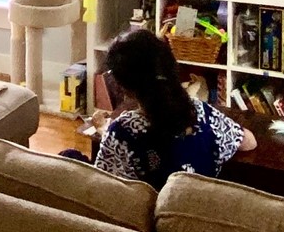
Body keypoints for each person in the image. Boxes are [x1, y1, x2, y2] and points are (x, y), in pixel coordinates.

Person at [89, 27, 255, 188]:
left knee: (71, 156)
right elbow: (249, 142)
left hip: (149, 215)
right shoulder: (203, 114)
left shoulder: (123, 131)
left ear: (125, 87)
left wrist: (106, 132)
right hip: (195, 208)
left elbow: (103, 189)